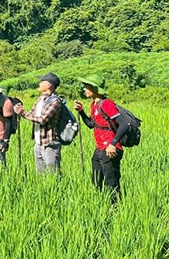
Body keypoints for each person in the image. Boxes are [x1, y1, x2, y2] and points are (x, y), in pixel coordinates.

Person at [74, 74, 128, 202]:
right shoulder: (94, 104)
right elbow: (91, 125)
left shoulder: (106, 104)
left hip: (110, 149)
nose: (84, 89)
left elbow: (124, 124)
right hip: (99, 148)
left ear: (95, 88)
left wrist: (113, 143)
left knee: (111, 181)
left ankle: (115, 209)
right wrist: (81, 112)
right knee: (96, 179)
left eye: (87, 86)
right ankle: (100, 204)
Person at [14, 73, 63, 174]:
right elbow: (32, 113)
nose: (39, 83)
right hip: (38, 141)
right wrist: (21, 111)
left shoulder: (55, 101)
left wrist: (23, 113)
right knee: (40, 173)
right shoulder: (40, 99)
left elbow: (42, 119)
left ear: (49, 85)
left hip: (50, 142)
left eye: (42, 82)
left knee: (53, 174)